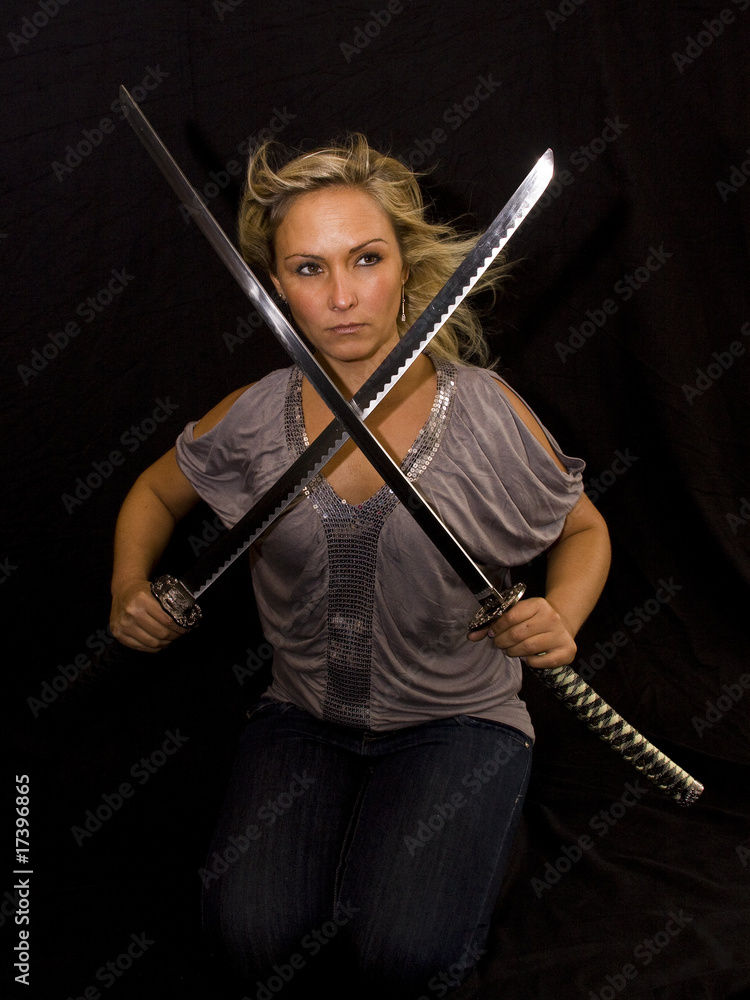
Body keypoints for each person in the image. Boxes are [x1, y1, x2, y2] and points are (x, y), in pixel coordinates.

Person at [109, 134, 611, 997]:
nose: (342, 298)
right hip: (301, 716)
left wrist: (561, 615)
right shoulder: (257, 416)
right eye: (309, 269)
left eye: (366, 259)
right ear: (276, 288)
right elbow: (155, 492)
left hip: (458, 720)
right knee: (249, 939)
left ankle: (488, 822)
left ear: (405, 268)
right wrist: (127, 587)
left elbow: (587, 530)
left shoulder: (483, 409)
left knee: (404, 957)